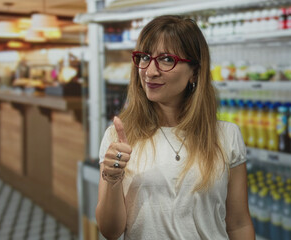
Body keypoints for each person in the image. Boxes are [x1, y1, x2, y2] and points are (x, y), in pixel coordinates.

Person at [96, 15, 255, 240]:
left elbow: (238, 224)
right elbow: (110, 231)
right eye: (144, 57)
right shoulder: (118, 138)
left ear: (195, 72)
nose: (150, 71)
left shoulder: (227, 136)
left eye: (166, 59)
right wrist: (112, 178)